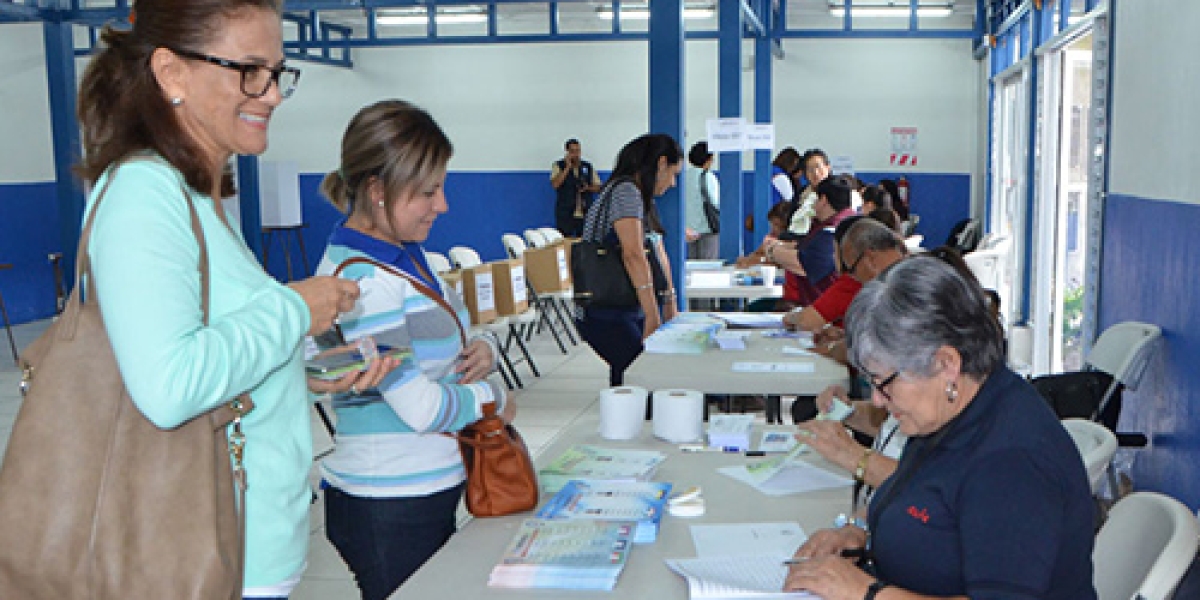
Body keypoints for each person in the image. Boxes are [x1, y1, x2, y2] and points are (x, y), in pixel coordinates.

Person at [76, 1, 396, 597]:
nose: (270, 94)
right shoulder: (143, 194)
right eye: (249, 70)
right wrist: (296, 308)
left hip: (245, 548)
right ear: (172, 73)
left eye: (277, 73)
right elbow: (171, 387)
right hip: (206, 557)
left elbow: (216, 348)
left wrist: (298, 374)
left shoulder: (196, 198)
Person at [784, 258, 1096, 599]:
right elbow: (920, 501)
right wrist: (857, 534)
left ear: (947, 364)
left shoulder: (1011, 462)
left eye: (884, 382)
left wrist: (865, 592)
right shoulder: (951, 413)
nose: (876, 400)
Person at [315, 99, 515, 600]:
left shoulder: (404, 256)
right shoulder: (364, 282)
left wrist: (484, 349)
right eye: (427, 192)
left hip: (415, 491)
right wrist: (493, 397)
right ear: (377, 191)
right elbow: (422, 408)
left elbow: (457, 332)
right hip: (392, 501)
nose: (442, 205)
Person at [576, 133, 683, 386]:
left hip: (624, 307)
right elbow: (633, 254)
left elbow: (658, 251)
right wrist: (652, 315)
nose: (673, 183)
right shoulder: (626, 192)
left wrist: (669, 303)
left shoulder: (641, 197)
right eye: (674, 173)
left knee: (633, 379)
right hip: (607, 310)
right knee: (638, 377)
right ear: (661, 163)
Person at [768, 176, 857, 306]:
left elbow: (803, 264)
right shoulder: (852, 224)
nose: (814, 206)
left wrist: (772, 250)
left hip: (830, 312)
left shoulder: (832, 232)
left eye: (815, 200)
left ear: (824, 200)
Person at [550, 138, 602, 237]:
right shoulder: (558, 165)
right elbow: (555, 184)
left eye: (578, 151)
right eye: (573, 151)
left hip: (584, 212)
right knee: (564, 239)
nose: (576, 154)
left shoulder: (587, 167)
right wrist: (567, 168)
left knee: (584, 241)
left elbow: (599, 187)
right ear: (567, 152)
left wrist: (588, 188)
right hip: (566, 212)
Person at [684, 141, 720, 259]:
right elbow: (716, 203)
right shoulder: (708, 177)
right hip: (707, 228)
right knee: (707, 268)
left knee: (690, 268)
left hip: (687, 229)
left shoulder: (683, 177)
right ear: (708, 159)